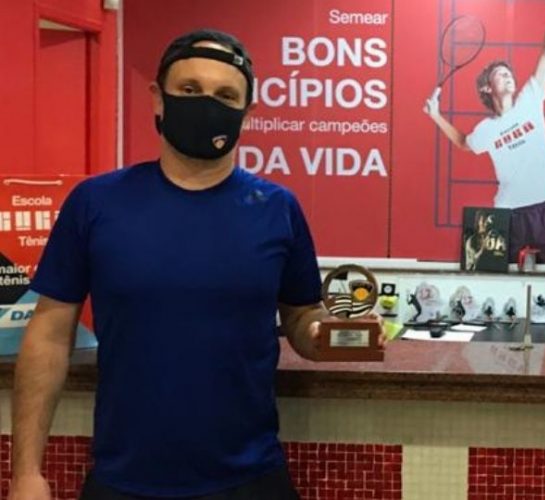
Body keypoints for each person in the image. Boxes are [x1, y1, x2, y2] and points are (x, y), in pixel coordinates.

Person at [9, 29, 365, 500]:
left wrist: (338, 335)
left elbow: (301, 318)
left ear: (246, 112)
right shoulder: (95, 203)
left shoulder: (278, 208)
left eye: (225, 95)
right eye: (190, 89)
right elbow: (50, 334)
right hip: (124, 479)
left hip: (251, 480)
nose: (207, 105)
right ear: (159, 99)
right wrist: (25, 472)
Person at [424, 0, 545, 264]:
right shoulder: (486, 129)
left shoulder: (530, 99)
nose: (508, 76)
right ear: (487, 88)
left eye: (509, 73)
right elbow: (464, 142)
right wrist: (435, 115)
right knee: (498, 276)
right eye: (501, 74)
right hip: (507, 213)